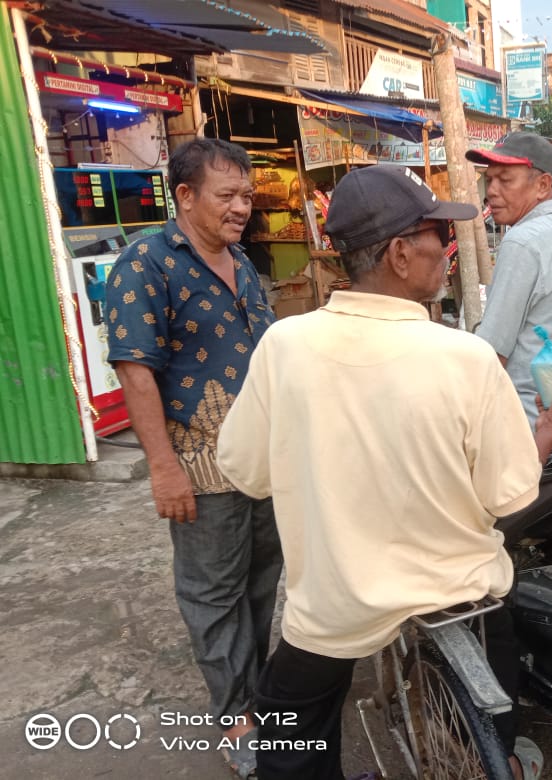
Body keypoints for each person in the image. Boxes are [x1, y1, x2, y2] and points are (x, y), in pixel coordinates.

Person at [216, 164, 552, 780]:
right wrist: (546, 431)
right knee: (495, 711)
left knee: (287, 722)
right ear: (397, 254)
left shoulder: (286, 346)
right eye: (436, 240)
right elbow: (510, 491)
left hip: (341, 604)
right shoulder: (467, 358)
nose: (447, 252)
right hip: (460, 589)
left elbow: (245, 472)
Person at [105, 138, 282, 779]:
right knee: (212, 594)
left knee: (261, 583)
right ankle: (236, 716)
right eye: (227, 196)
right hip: (199, 465)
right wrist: (162, 466)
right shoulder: (144, 265)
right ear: (185, 196)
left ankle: (258, 695)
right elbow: (136, 369)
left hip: (260, 460)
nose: (242, 207)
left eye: (246, 195)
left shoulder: (240, 260)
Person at [465, 132, 552, 432]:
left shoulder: (523, 242)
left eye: (505, 180)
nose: (492, 191)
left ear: (541, 186)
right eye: (489, 180)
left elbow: (491, 355)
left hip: (530, 426)